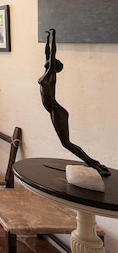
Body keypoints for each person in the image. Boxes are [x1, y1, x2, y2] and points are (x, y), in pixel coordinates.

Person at [38, 28, 110, 176]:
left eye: (51, 62)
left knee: (66, 143)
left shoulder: (51, 75)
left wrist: (54, 36)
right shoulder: (46, 73)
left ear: (54, 67)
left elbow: (52, 54)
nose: (48, 61)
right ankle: (92, 162)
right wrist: (47, 39)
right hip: (53, 110)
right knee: (66, 143)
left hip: (57, 111)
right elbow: (47, 54)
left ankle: (92, 164)